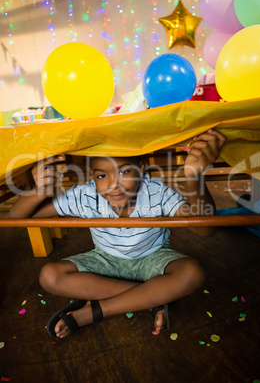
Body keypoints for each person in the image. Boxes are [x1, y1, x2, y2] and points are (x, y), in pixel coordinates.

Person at [9, 129, 226, 339]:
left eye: (124, 171)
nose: (114, 184)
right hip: (105, 260)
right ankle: (151, 298)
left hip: (153, 258)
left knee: (192, 273)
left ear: (141, 168)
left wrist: (194, 177)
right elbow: (15, 219)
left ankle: (97, 310)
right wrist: (39, 192)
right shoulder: (85, 195)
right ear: (92, 177)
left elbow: (205, 229)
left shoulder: (157, 192)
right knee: (49, 277)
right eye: (103, 175)